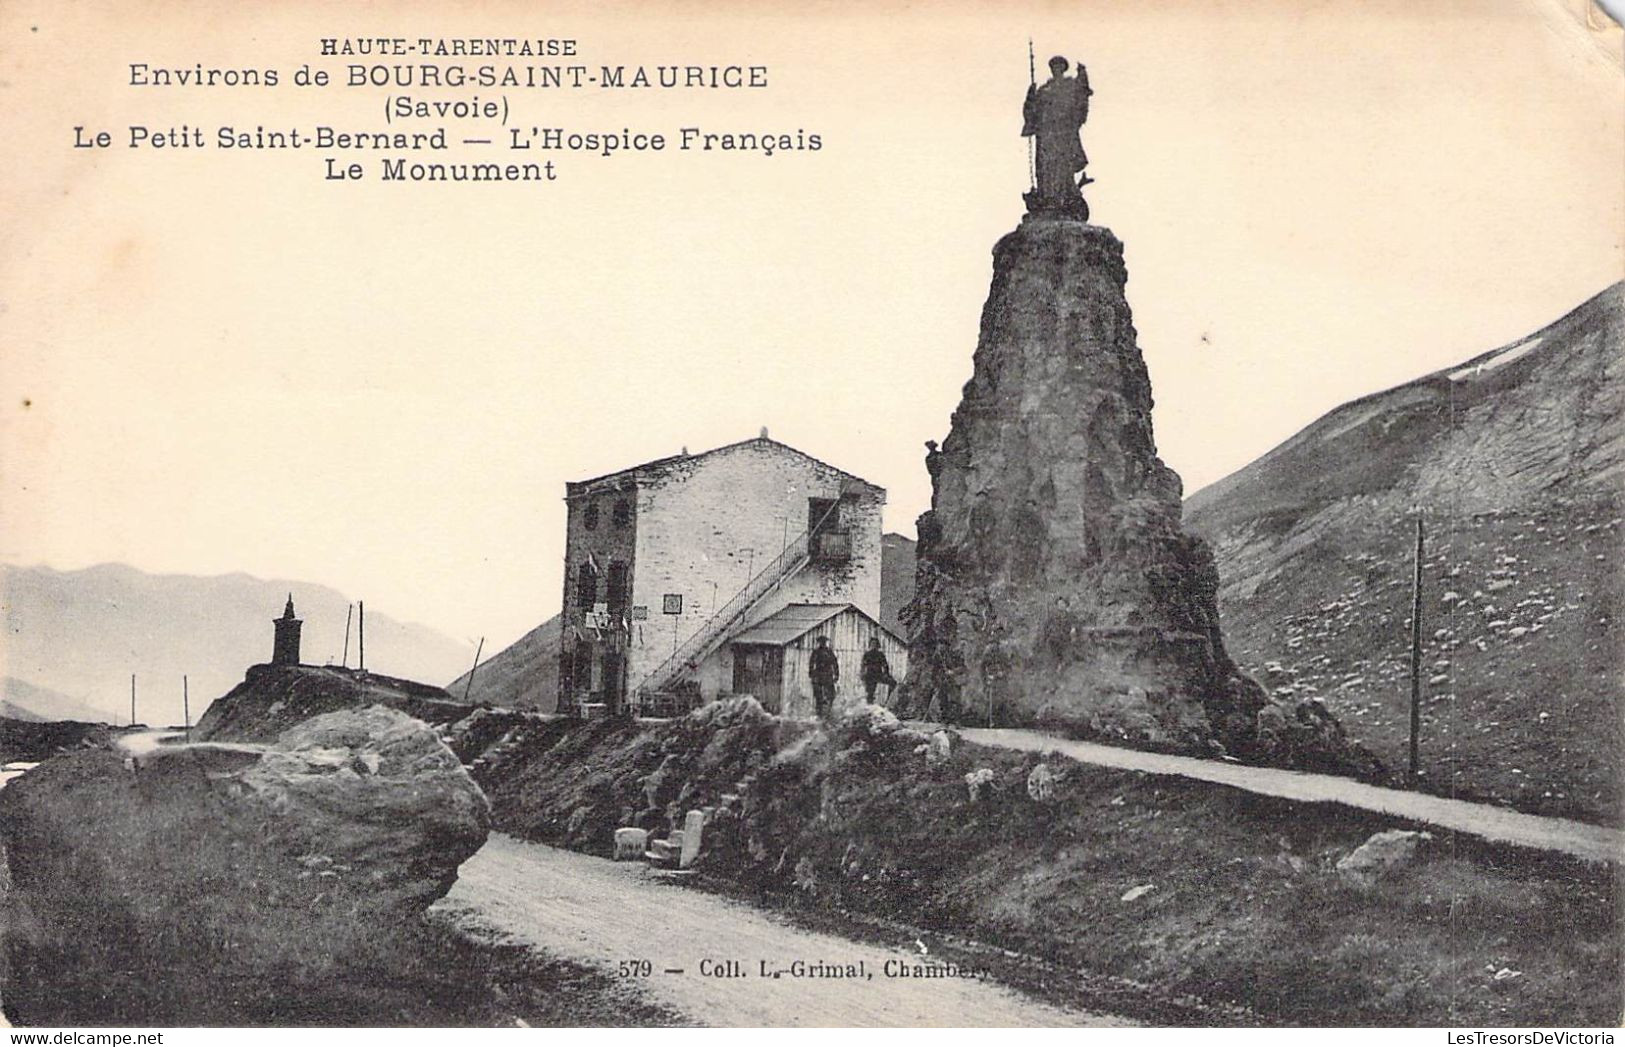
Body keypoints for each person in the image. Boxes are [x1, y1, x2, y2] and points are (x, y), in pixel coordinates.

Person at [1022, 56, 1093, 217]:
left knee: (1063, 166)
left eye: (1059, 65)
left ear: (1063, 68)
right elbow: (1032, 113)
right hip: (1046, 135)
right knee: (1046, 167)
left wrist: (1083, 76)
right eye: (1053, 66)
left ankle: (1065, 197)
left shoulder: (1070, 86)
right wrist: (1030, 97)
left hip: (1063, 134)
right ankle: (1047, 198)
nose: (1056, 68)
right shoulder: (1043, 91)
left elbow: (1081, 99)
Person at [809, 636, 839, 721]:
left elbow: (835, 663)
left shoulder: (829, 652)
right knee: (818, 695)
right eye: (821, 642)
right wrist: (811, 673)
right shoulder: (816, 652)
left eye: (824, 642)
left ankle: (828, 712)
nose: (823, 644)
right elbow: (811, 663)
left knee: (831, 694)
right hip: (819, 674)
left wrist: (836, 674)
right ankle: (819, 713)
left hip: (828, 675)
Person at [861, 636, 896, 704]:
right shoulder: (867, 654)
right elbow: (863, 665)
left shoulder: (880, 654)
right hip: (870, 675)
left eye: (875, 644)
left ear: (878, 645)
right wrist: (862, 674)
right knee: (870, 692)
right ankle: (869, 705)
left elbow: (885, 665)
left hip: (878, 675)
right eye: (872, 644)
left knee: (893, 682)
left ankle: (888, 701)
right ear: (870, 645)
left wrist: (886, 674)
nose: (874, 645)